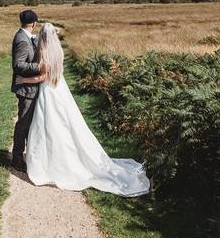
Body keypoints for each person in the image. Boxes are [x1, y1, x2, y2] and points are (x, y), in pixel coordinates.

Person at [15, 22, 151, 197]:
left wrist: (24, 81)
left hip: (48, 91)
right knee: (64, 125)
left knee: (49, 126)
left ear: (42, 36)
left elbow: (42, 77)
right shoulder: (59, 51)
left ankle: (51, 162)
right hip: (59, 89)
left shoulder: (43, 51)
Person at [10, 9, 45, 172]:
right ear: (34, 23)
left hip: (31, 88)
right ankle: (17, 158)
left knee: (29, 124)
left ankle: (27, 155)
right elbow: (18, 65)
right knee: (23, 124)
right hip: (26, 90)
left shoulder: (27, 37)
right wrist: (39, 67)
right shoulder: (22, 40)